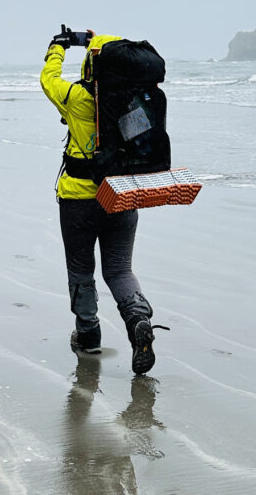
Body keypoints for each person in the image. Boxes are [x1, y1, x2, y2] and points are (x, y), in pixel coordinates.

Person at [40, 31, 158, 375]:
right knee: (120, 270)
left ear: (91, 64)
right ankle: (137, 319)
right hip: (121, 193)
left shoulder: (77, 97)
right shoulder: (135, 101)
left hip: (79, 199)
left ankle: (89, 333)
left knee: (81, 269)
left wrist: (58, 47)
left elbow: (48, 79)